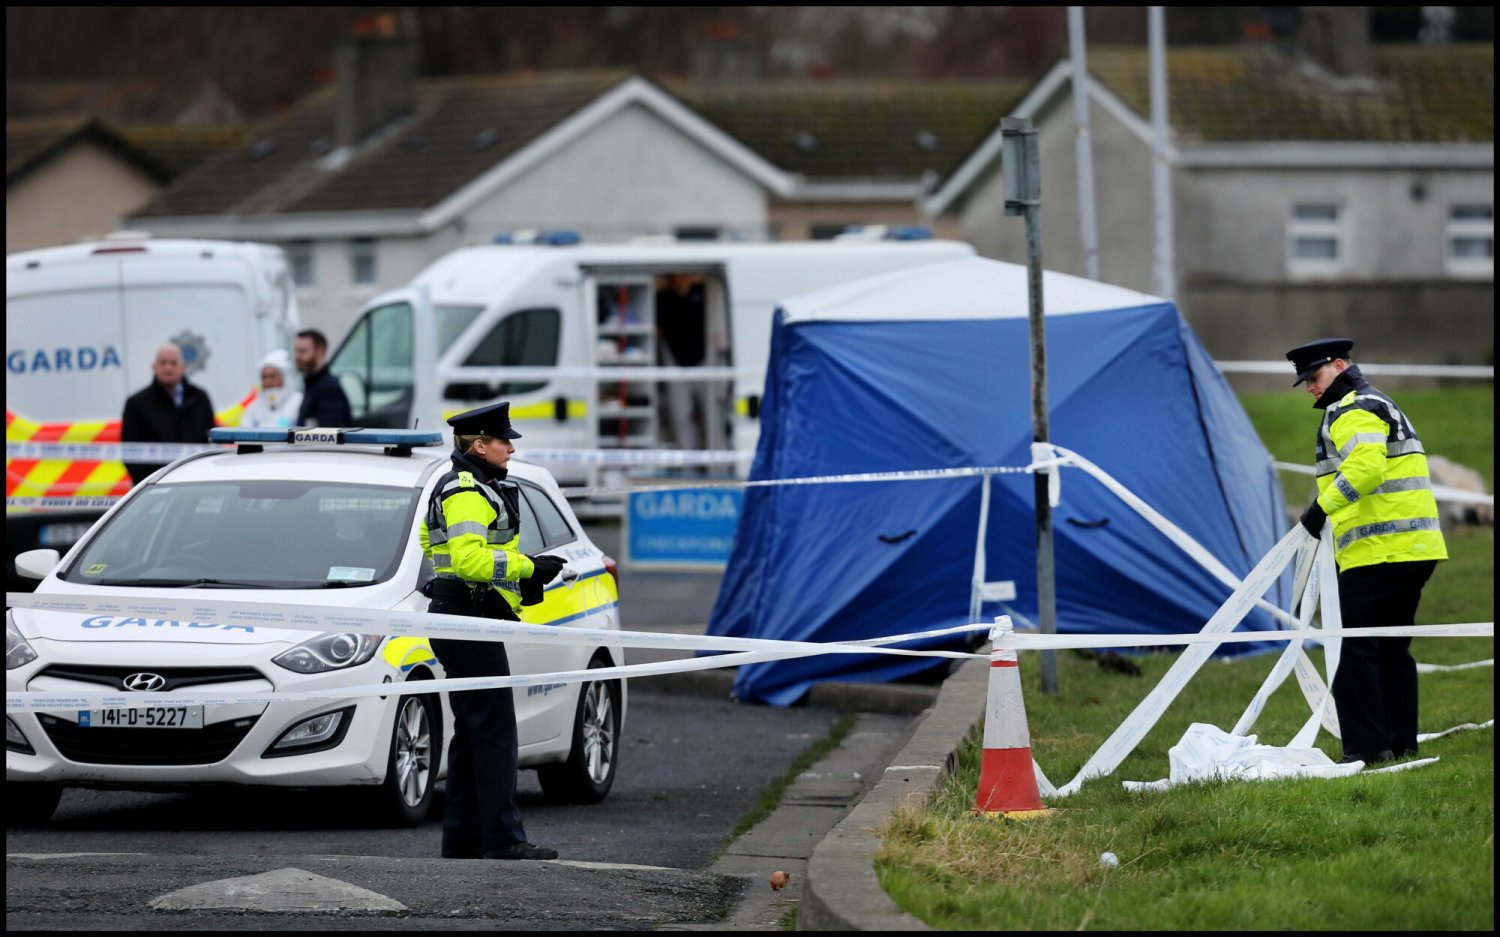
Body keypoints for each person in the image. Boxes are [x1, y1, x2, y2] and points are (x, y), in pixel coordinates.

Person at [1286, 337, 1448, 766]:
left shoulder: (1352, 407)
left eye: (1315, 377)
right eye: (1304, 381)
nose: (1310, 388)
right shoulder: (1378, 401)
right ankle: (1400, 745)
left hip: (1378, 552)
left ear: (1339, 365)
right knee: (1392, 648)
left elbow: (1366, 467)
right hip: (1416, 547)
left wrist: (1319, 509)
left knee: (1355, 650)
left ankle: (1368, 750)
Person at [418, 401, 566, 860]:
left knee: (472, 730)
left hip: (462, 615)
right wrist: (528, 568)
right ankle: (504, 839)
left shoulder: (471, 485)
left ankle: (462, 838)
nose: (511, 450)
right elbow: (468, 559)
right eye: (505, 442)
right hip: (465, 619)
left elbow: (431, 540)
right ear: (479, 445)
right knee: (497, 729)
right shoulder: (466, 490)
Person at [120, 342, 216, 486]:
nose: (168, 367)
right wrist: (147, 484)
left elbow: (210, 440)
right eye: (163, 362)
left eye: (173, 363)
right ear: (154, 367)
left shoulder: (200, 398)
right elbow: (129, 450)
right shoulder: (137, 403)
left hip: (196, 483)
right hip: (155, 487)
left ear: (183, 367)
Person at [654, 274, 713, 453]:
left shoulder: (704, 294)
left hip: (706, 362)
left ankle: (714, 458)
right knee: (680, 415)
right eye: (677, 276)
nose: (682, 279)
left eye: (685, 276)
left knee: (711, 414)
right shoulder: (663, 299)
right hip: (675, 363)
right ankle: (688, 463)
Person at [294, 329, 352, 427]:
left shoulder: (328, 389)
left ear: (320, 351)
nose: (297, 357)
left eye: (302, 351)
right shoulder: (312, 384)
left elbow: (330, 435)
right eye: (296, 351)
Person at [240, 349, 303, 429]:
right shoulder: (254, 407)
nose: (268, 382)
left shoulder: (298, 402)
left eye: (273, 376)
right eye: (264, 377)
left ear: (284, 378)